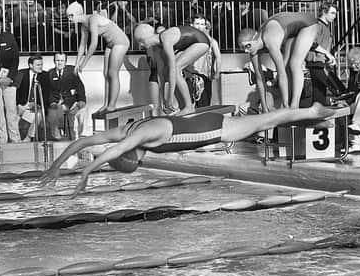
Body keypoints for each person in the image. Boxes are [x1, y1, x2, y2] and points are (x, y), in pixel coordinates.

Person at [40, 103, 338, 195]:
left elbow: (113, 152)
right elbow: (84, 141)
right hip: (203, 126)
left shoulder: (140, 135)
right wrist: (56, 165)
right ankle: (315, 117)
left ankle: (314, 111)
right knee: (265, 122)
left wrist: (86, 173)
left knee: (269, 120)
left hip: (212, 129)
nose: (140, 162)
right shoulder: (126, 130)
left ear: (132, 156)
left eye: (136, 162)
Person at [238, 12, 319, 110]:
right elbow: (259, 79)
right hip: (290, 31)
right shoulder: (253, 50)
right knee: (286, 66)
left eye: (248, 46)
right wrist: (264, 108)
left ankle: (293, 107)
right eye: (243, 48)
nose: (246, 50)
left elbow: (281, 73)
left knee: (294, 64)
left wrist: (284, 106)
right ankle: (287, 105)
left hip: (308, 24)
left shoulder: (269, 39)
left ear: (255, 38)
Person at [134, 23, 210, 115]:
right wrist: (164, 101)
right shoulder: (157, 48)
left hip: (201, 41)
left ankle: (189, 107)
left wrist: (170, 97)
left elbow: (173, 69)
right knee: (167, 71)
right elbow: (160, 75)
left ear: (144, 39)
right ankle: (182, 106)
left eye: (140, 42)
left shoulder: (166, 39)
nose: (141, 46)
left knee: (176, 68)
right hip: (190, 44)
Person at [67, 1, 129, 113]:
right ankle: (106, 104)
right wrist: (77, 63)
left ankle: (112, 105)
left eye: (69, 17)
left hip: (120, 42)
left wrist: (84, 63)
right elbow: (82, 45)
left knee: (112, 73)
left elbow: (94, 44)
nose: (69, 20)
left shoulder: (93, 19)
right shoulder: (84, 26)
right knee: (105, 74)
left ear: (73, 15)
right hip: (111, 44)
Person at [305, 2, 341, 105]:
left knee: (319, 93)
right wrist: (327, 54)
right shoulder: (318, 25)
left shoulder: (324, 26)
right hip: (315, 62)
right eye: (332, 13)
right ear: (324, 12)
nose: (335, 16)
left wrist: (329, 56)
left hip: (320, 62)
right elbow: (311, 43)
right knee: (335, 87)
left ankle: (317, 117)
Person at [47, 52, 87, 140]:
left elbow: (80, 87)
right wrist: (53, 103)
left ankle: (82, 137)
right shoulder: (50, 74)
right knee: (52, 113)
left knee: (83, 110)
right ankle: (57, 138)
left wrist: (81, 101)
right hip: (58, 104)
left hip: (72, 102)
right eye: (57, 60)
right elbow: (48, 92)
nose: (60, 62)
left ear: (65, 62)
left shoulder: (72, 71)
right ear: (54, 61)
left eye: (62, 60)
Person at [186, 15, 221, 107]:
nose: (199, 26)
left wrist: (217, 71)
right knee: (188, 106)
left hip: (204, 77)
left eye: (202, 24)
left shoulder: (211, 41)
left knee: (204, 107)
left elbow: (218, 57)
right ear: (192, 25)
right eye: (197, 24)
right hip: (189, 76)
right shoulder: (187, 40)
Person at [16, 55, 50, 141]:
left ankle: (29, 137)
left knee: (39, 115)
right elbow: (15, 91)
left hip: (36, 106)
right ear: (30, 65)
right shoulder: (21, 74)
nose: (41, 67)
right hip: (22, 104)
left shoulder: (45, 76)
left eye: (41, 64)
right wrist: (19, 105)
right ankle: (15, 140)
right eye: (38, 65)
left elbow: (46, 95)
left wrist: (37, 105)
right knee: (13, 118)